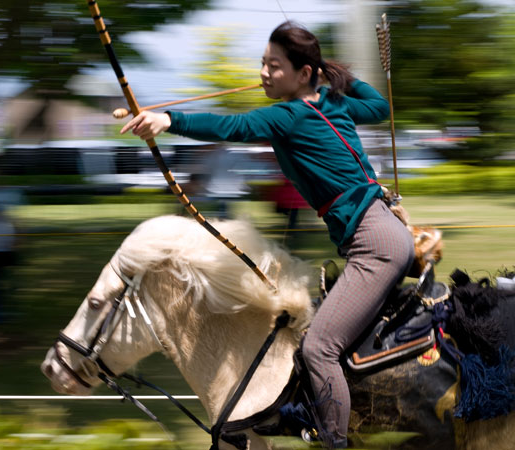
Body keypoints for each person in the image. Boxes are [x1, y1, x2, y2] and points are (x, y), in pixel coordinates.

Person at [121, 21, 415, 449]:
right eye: (263, 63)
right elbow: (376, 104)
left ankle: (335, 443)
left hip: (375, 244)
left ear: (303, 73)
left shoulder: (288, 116)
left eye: (274, 66)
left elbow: (233, 128)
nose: (263, 73)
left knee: (319, 348)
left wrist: (169, 119)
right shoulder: (332, 103)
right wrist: (336, 77)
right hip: (383, 235)